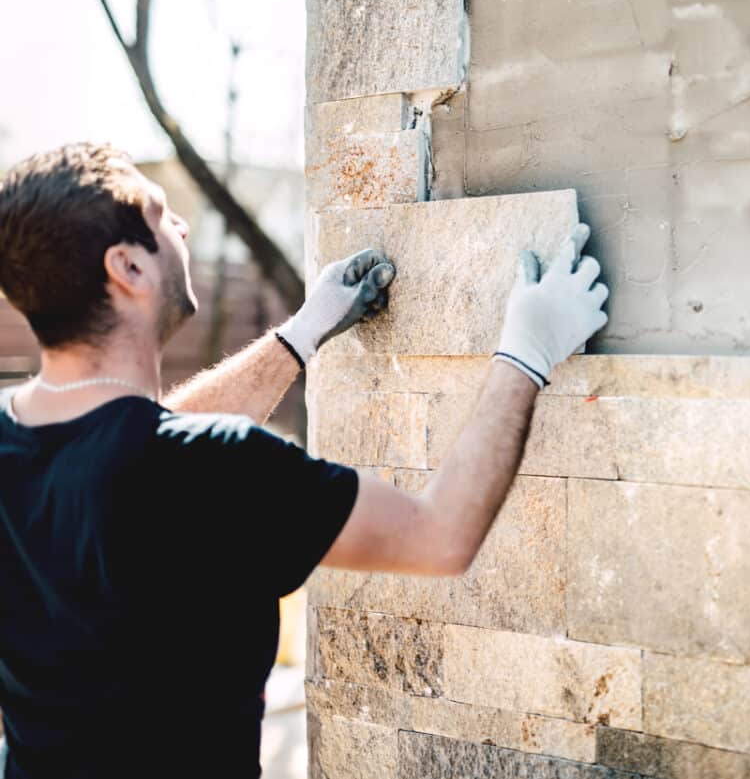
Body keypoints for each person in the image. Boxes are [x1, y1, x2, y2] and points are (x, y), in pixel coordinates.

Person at [0, 142, 608, 778]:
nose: (180, 226)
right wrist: (526, 352)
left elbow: (130, 440)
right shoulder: (214, 468)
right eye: (160, 217)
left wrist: (300, 335)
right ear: (128, 266)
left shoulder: (26, 441)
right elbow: (439, 536)